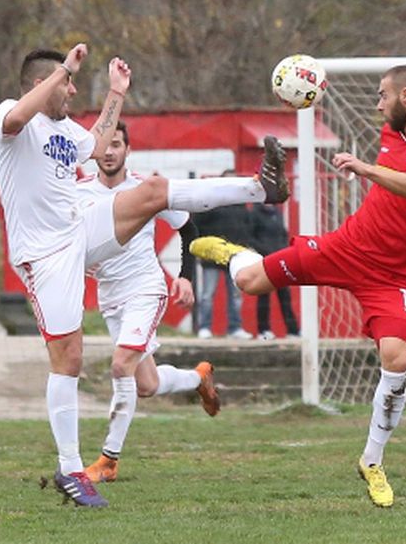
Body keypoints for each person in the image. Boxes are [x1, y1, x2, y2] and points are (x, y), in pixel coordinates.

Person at [0, 43, 287, 507]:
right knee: (67, 358)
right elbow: (14, 121)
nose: (71, 90)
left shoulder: (65, 127)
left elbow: (93, 144)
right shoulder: (12, 114)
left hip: (79, 235)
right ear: (40, 83)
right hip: (43, 255)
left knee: (152, 191)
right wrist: (64, 68)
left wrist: (115, 93)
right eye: (67, 83)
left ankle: (260, 187)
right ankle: (71, 468)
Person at [191, 65, 406, 508]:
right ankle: (229, 250)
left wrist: (366, 169)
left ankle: (372, 460)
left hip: (395, 276)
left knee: (397, 358)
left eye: (382, 96)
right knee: (248, 280)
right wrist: (315, 87)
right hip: (349, 247)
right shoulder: (393, 130)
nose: (377, 104)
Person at [75, 120, 221, 484]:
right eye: (104, 145)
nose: (109, 151)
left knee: (121, 365)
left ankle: (108, 459)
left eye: (117, 144)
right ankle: (197, 378)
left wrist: (185, 275)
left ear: (127, 150)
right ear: (95, 151)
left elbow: (188, 228)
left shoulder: (144, 189)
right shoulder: (77, 193)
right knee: (147, 385)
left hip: (144, 289)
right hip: (110, 298)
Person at [193, 200, 254, 340]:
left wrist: (244, 247)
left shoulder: (240, 205)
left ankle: (235, 328)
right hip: (211, 256)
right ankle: (204, 327)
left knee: (235, 294)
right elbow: (196, 225)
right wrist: (201, 248)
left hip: (234, 255)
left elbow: (248, 227)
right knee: (207, 294)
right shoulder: (209, 203)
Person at [249, 203, 299, 339]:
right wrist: (266, 252)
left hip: (280, 262)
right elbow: (251, 238)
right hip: (264, 261)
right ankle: (263, 330)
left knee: (285, 297)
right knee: (264, 296)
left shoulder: (277, 213)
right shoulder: (254, 213)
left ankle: (293, 330)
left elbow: (283, 234)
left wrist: (283, 251)